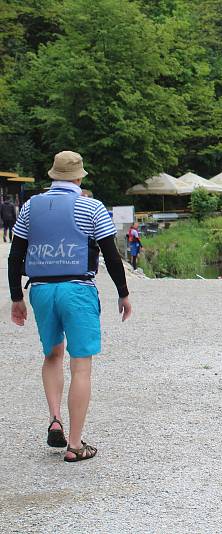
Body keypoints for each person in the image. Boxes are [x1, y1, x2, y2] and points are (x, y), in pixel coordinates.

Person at [8, 150, 132, 462]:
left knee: (52, 354)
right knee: (81, 364)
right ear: (79, 178)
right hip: (77, 289)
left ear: (52, 176)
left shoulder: (30, 208)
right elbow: (111, 254)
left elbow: (15, 256)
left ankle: (54, 418)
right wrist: (123, 292)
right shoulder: (91, 207)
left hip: (42, 290)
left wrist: (16, 298)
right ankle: (75, 444)